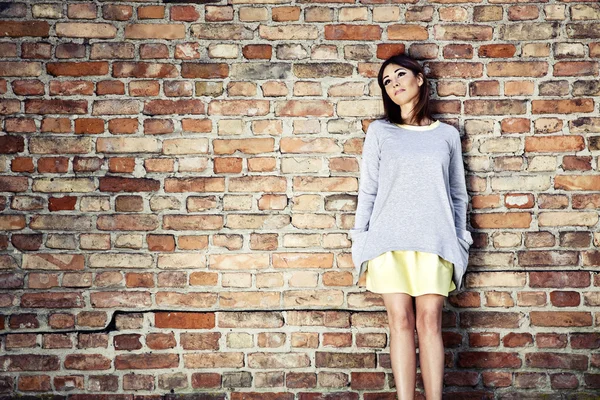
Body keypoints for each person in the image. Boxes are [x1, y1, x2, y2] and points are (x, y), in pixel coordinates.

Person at [349, 53, 473, 399]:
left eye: (400, 75)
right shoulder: (380, 131)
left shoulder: (446, 135)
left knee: (430, 322)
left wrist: (460, 240)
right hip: (388, 241)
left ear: (420, 78)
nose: (394, 84)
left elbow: (458, 195)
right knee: (400, 323)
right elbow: (368, 190)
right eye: (386, 82)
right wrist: (360, 240)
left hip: (435, 240)